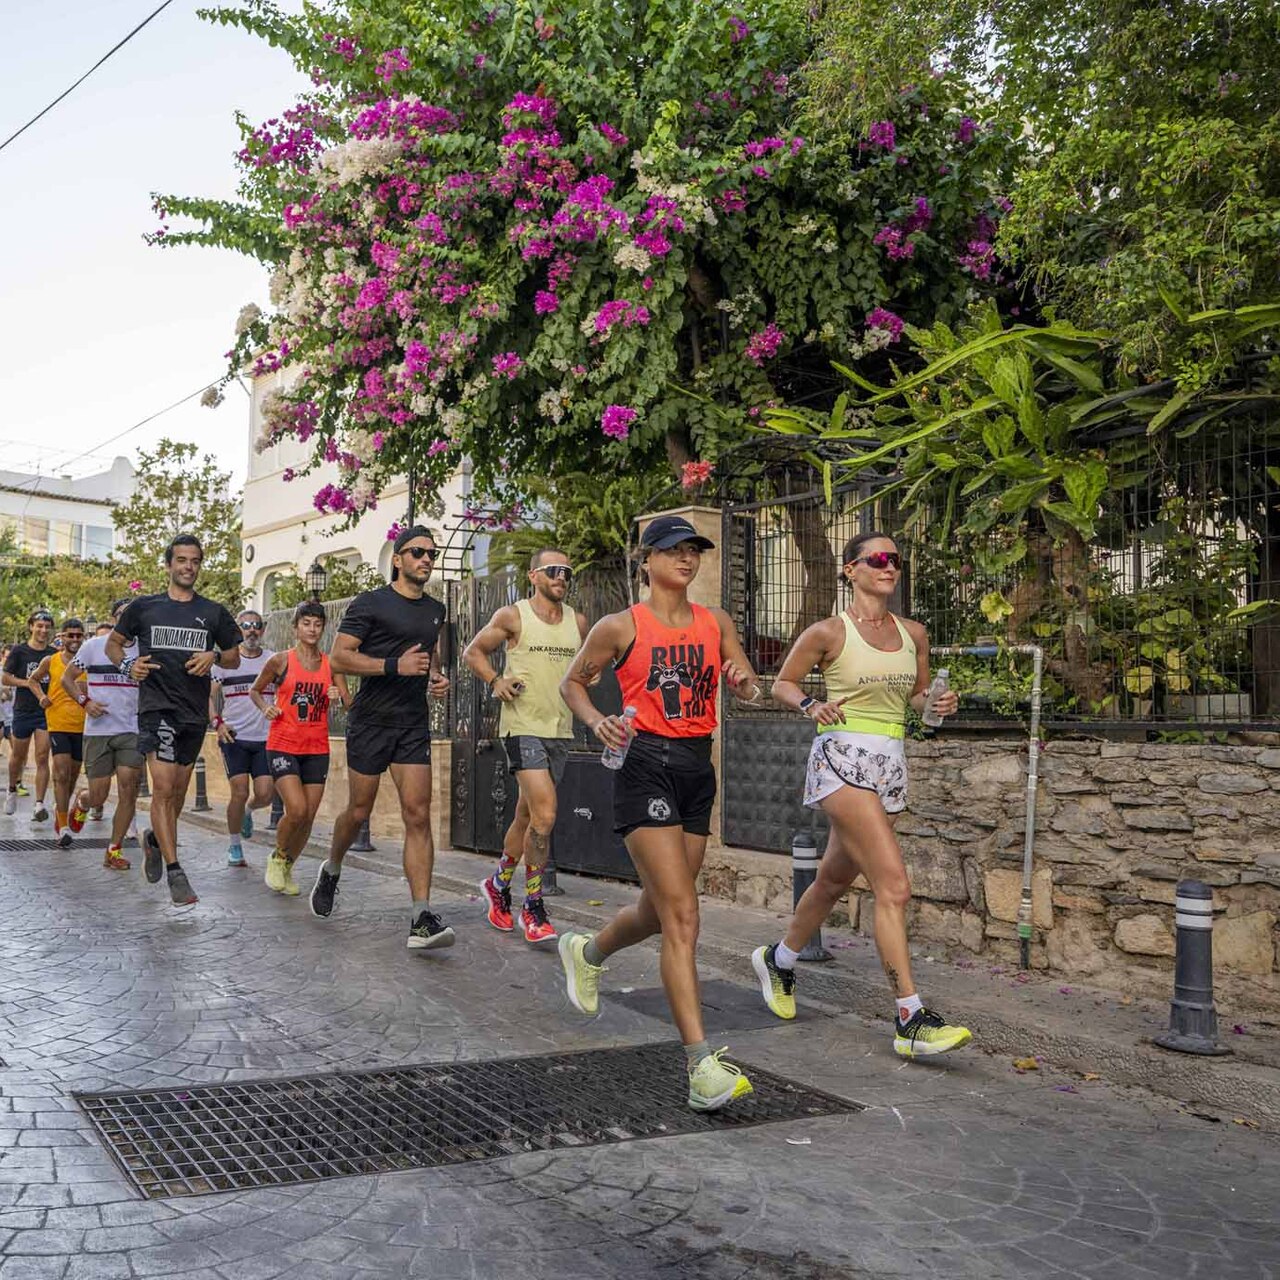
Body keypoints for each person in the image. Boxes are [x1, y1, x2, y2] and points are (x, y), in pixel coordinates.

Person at [558, 515, 764, 1112]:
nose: (688, 559)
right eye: (675, 550)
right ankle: (702, 1066)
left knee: (658, 909)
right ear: (646, 561)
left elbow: (747, 685)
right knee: (683, 915)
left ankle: (588, 952)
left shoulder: (714, 622)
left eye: (695, 550)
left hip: (698, 768)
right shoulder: (621, 625)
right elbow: (576, 683)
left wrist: (742, 682)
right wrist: (598, 720)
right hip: (644, 762)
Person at [751, 531, 970, 1058]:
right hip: (840, 760)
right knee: (893, 886)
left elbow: (916, 698)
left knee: (831, 880)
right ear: (851, 569)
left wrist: (936, 705)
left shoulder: (913, 632)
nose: (889, 566)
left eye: (895, 559)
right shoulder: (829, 631)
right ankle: (910, 1017)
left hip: (890, 764)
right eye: (877, 559)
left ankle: (778, 959)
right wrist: (809, 705)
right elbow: (783, 682)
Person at [308, 525, 451, 948]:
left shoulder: (435, 610)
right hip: (370, 721)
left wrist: (436, 677)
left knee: (418, 815)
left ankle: (421, 916)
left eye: (431, 553)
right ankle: (332, 868)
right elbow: (339, 657)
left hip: (411, 723)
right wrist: (393, 666)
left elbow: (429, 658)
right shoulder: (370, 603)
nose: (426, 559)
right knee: (358, 811)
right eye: (418, 552)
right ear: (398, 559)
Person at [107, 535, 241, 906]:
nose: (188, 567)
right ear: (168, 565)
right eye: (181, 560)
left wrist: (213, 656)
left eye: (195, 561)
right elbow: (113, 644)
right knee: (163, 789)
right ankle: (176, 871)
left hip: (193, 714)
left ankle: (153, 839)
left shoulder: (214, 613)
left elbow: (233, 657)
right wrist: (126, 665)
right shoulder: (144, 608)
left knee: (177, 795)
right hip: (156, 709)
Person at [463, 547, 588, 944]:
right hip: (522, 727)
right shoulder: (513, 616)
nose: (561, 577)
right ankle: (533, 907)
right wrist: (496, 681)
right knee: (546, 814)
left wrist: (590, 676)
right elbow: (473, 652)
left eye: (567, 571)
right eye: (553, 570)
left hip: (560, 730)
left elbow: (588, 670)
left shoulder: (579, 623)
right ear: (533, 576)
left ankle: (498, 885)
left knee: (526, 816)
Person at [251, 601, 350, 896]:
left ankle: (288, 865)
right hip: (283, 743)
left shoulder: (332, 663)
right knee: (296, 809)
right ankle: (278, 857)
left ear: (323, 628)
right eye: (306, 623)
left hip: (316, 747)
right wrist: (266, 707)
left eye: (317, 624)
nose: (312, 629)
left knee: (308, 815)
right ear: (296, 627)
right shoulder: (281, 661)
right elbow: (256, 690)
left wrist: (337, 695)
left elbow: (348, 703)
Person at [65, 597, 143, 871]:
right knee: (99, 795)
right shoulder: (93, 647)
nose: (128, 619)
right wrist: (85, 703)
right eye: (123, 614)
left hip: (131, 729)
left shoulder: (144, 649)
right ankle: (83, 801)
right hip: (98, 731)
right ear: (114, 618)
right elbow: (67, 679)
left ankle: (114, 850)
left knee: (129, 789)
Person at [211, 609, 277, 868]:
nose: (251, 630)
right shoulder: (226, 662)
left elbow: (287, 689)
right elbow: (207, 695)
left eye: (256, 626)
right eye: (246, 626)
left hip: (266, 738)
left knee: (265, 794)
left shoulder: (273, 660)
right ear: (238, 630)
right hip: (234, 737)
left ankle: (249, 812)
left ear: (262, 630)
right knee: (238, 791)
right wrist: (217, 723)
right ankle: (234, 844)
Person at [32, 619, 88, 848]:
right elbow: (33, 680)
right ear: (61, 637)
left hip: (83, 725)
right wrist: (41, 697)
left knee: (73, 776)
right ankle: (63, 827)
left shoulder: (88, 660)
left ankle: (63, 809)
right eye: (70, 635)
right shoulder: (51, 660)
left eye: (78, 636)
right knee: (61, 773)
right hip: (57, 723)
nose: (74, 640)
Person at [3, 610, 54, 821]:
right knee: (18, 756)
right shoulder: (19, 651)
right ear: (31, 626)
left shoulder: (53, 653)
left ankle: (39, 804)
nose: (43, 630)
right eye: (39, 626)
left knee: (42, 756)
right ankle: (12, 788)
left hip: (45, 711)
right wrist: (29, 683)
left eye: (46, 626)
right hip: (23, 710)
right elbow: (5, 678)